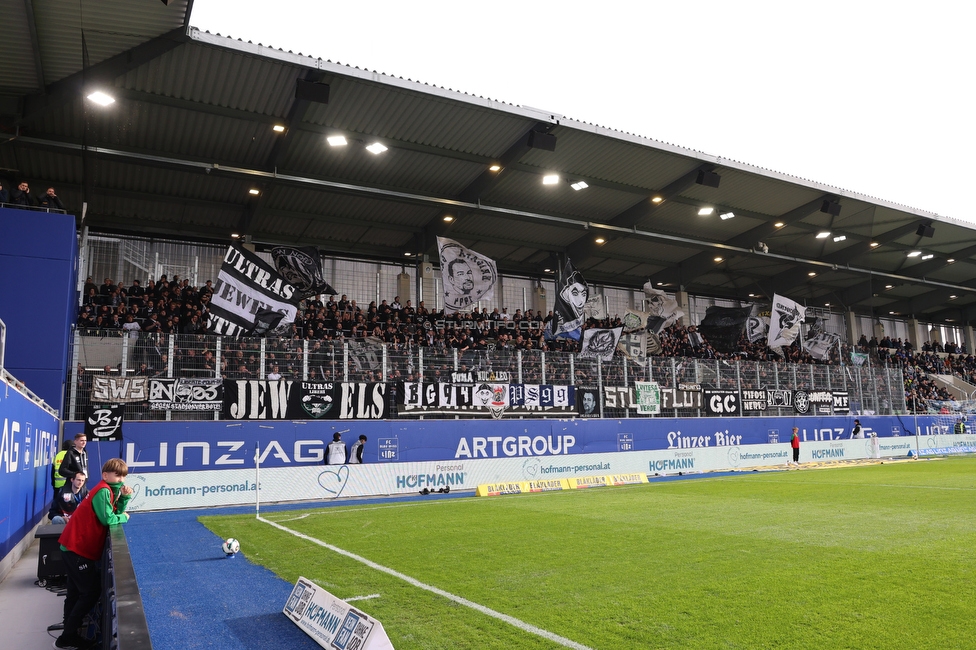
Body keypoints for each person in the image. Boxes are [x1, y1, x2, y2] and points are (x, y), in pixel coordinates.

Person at [55, 458, 134, 650]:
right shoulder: (103, 490)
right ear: (105, 475)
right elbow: (109, 519)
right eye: (118, 475)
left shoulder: (106, 490)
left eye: (123, 475)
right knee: (90, 593)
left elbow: (111, 512)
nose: (121, 479)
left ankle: (69, 632)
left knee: (75, 593)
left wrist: (123, 498)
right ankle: (67, 637)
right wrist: (124, 517)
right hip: (76, 549)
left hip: (73, 547)